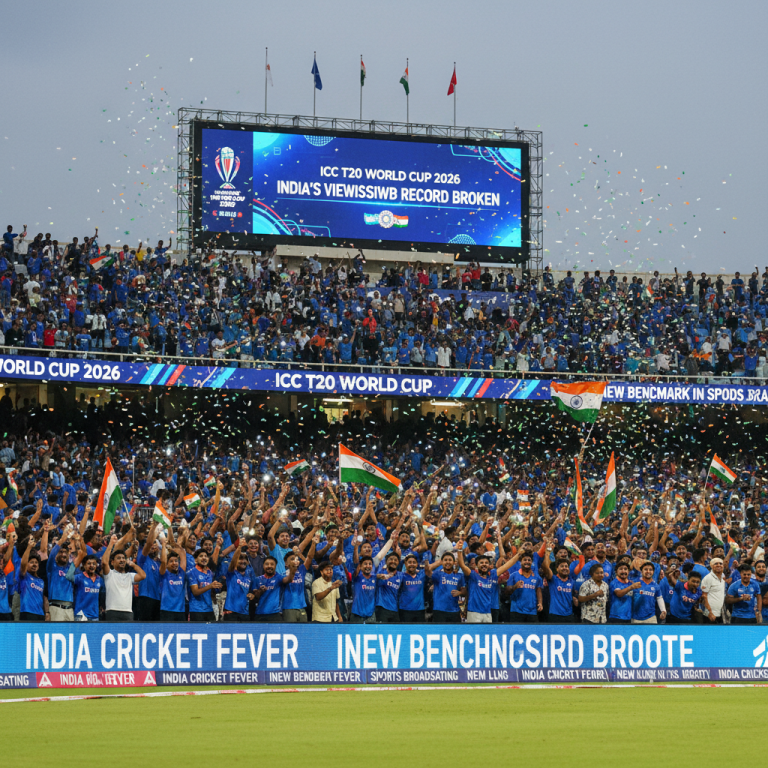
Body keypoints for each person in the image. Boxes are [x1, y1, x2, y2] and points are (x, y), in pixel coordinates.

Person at [102, 534, 146, 622]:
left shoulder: (130, 576)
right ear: (112, 562)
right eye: (118, 558)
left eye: (123, 558)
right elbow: (104, 562)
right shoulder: (109, 574)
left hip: (128, 612)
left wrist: (132, 564)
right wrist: (111, 544)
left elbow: (143, 575)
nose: (122, 560)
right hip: (112, 611)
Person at [425, 552, 466, 623]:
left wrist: (460, 592)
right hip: (439, 610)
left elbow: (464, 592)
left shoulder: (459, 575)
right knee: (439, 632)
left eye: (450, 560)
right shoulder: (438, 574)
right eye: (445, 560)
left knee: (454, 633)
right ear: (442, 562)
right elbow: (428, 572)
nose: (448, 562)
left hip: (454, 610)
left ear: (454, 562)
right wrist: (428, 563)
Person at [223, 538, 255, 622]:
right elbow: (233, 563)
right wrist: (239, 547)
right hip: (231, 611)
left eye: (245, 559)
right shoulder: (231, 573)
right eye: (240, 558)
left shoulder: (249, 577)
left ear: (248, 562)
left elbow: (252, 591)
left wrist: (252, 595)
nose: (243, 561)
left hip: (244, 612)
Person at [506, 553, 543, 623]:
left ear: (532, 562)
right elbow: (506, 591)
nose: (527, 562)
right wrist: (514, 587)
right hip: (516, 610)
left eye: (529, 560)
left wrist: (540, 603)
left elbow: (538, 590)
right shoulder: (514, 575)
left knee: (533, 633)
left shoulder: (537, 577)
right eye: (525, 560)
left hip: (532, 611)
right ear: (520, 562)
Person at [158, 535, 187, 621]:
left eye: (176, 561)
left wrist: (174, 544)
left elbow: (182, 553)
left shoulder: (181, 573)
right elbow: (163, 561)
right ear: (167, 564)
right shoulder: (164, 573)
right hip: (166, 610)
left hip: (180, 611)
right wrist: (163, 545)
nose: (174, 563)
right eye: (171, 561)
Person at [19, 536, 48, 622]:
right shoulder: (24, 576)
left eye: (36, 563)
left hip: (40, 614)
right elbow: (23, 564)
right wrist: (29, 548)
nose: (34, 564)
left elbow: (43, 598)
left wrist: (46, 613)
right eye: (31, 562)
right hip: (27, 613)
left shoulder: (41, 581)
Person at [187, 548, 220, 622]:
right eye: (201, 556)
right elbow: (195, 592)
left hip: (209, 609)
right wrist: (210, 586)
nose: (204, 558)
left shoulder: (210, 572)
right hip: (196, 610)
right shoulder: (191, 572)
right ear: (195, 560)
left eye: (206, 556)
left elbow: (210, 591)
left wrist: (217, 586)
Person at [254, 555, 283, 622]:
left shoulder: (279, 578)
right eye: (267, 564)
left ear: (275, 566)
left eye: (272, 564)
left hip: (275, 614)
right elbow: (255, 597)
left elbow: (288, 579)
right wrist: (260, 591)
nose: (269, 566)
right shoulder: (257, 579)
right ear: (263, 565)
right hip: (259, 614)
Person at [700, 557, 727, 623]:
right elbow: (704, 596)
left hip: (720, 613)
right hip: (710, 614)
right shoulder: (708, 578)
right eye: (716, 563)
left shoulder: (723, 578)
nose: (719, 565)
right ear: (711, 566)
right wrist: (710, 612)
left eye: (720, 563)